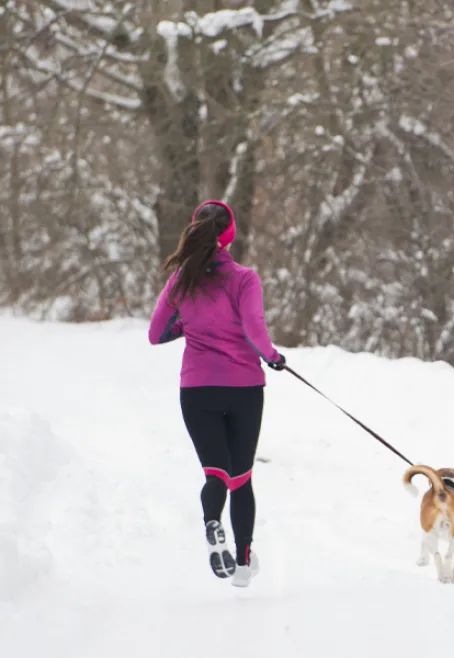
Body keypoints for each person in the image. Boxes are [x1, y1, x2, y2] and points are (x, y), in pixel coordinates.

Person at [148, 199, 286, 588]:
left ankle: (213, 524)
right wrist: (273, 358)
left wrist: (188, 328)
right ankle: (242, 565)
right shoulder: (245, 279)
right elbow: (255, 330)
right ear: (230, 234)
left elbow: (156, 333)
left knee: (216, 473)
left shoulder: (180, 281)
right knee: (240, 477)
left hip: (197, 391)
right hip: (243, 389)